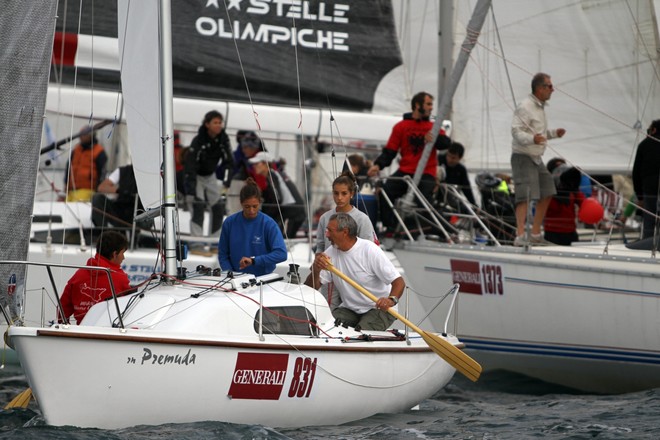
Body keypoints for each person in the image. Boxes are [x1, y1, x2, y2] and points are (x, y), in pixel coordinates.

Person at [367, 91, 450, 232]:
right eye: (428, 104)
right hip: (405, 171)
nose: (431, 108)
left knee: (423, 201)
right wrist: (378, 165)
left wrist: (435, 138)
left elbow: (446, 143)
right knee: (386, 193)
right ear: (417, 105)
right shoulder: (401, 127)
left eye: (431, 105)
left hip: (426, 172)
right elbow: (390, 151)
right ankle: (391, 227)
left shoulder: (433, 127)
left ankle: (442, 228)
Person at [305, 213, 404, 331]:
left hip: (379, 308)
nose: (326, 235)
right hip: (350, 309)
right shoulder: (331, 252)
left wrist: (390, 300)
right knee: (320, 328)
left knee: (361, 335)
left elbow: (399, 282)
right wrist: (316, 269)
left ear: (345, 232)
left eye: (330, 231)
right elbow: (310, 287)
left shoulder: (369, 250)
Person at [511, 72, 566, 246]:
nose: (552, 89)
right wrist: (532, 139)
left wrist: (554, 134)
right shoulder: (525, 106)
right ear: (539, 88)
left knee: (548, 189)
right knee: (525, 195)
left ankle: (535, 234)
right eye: (549, 86)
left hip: (535, 157)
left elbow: (539, 134)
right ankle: (520, 236)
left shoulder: (540, 108)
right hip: (523, 155)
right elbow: (516, 131)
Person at [58, 230, 132, 324]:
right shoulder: (120, 279)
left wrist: (64, 327)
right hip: (108, 332)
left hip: (81, 332)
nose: (123, 257)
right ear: (114, 254)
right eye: (122, 253)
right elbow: (130, 309)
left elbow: (62, 308)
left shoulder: (78, 275)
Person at [218, 178, 287, 276]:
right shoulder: (229, 223)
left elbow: (282, 254)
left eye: (255, 206)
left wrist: (254, 260)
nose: (251, 210)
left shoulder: (269, 224)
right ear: (241, 203)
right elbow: (223, 254)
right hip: (235, 279)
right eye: (247, 206)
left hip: (263, 279)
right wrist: (229, 273)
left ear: (260, 202)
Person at [184, 110, 233, 239]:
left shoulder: (223, 139)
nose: (218, 125)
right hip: (197, 176)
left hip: (211, 176)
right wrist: (191, 187)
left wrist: (226, 182)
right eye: (215, 122)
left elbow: (229, 162)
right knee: (198, 206)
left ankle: (215, 240)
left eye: (220, 123)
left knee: (218, 207)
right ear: (207, 124)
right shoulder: (199, 140)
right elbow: (190, 164)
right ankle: (197, 241)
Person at [315, 171, 377, 253]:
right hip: (329, 264)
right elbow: (320, 246)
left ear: (351, 193)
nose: (339, 197)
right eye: (336, 193)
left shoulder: (362, 219)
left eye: (344, 193)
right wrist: (318, 259)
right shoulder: (324, 218)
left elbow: (369, 248)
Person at [249, 151, 306, 238]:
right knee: (281, 239)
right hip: (292, 212)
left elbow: (277, 199)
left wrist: (265, 215)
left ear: (265, 164)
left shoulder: (273, 175)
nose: (254, 166)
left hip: (293, 214)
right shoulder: (275, 174)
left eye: (257, 163)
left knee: (285, 241)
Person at [543, 162, 585, 245]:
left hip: (571, 232)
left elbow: (584, 203)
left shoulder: (571, 190)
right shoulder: (547, 192)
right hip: (552, 233)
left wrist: (574, 188)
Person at [91, 164, 144, 228]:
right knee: (97, 199)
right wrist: (119, 190)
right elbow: (101, 187)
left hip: (140, 213)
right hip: (120, 210)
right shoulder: (122, 171)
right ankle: (103, 233)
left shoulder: (149, 174)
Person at [64, 125, 108, 202]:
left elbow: (102, 172)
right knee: (62, 205)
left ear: (91, 136)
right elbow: (68, 167)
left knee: (75, 205)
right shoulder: (76, 149)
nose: (81, 137)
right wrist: (66, 183)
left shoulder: (99, 152)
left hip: (87, 190)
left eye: (84, 134)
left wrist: (98, 190)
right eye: (80, 134)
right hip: (71, 190)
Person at [632, 119, 660, 239]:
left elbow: (636, 172)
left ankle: (647, 249)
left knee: (649, 223)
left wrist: (640, 196)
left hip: (649, 190)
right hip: (653, 189)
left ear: (654, 130)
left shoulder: (644, 145)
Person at [225, 130, 265, 214]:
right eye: (242, 147)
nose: (243, 150)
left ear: (253, 147)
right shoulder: (249, 161)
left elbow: (262, 185)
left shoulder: (258, 162)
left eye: (245, 147)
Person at [437, 142, 476, 208]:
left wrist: (474, 204)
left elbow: (466, 189)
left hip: (452, 198)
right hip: (437, 196)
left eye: (453, 158)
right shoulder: (438, 160)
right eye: (448, 156)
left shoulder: (461, 170)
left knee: (463, 208)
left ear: (460, 158)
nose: (449, 160)